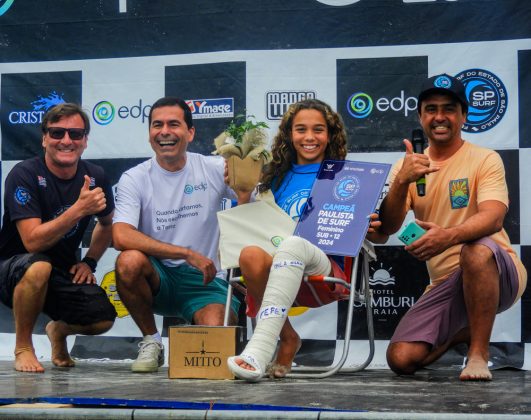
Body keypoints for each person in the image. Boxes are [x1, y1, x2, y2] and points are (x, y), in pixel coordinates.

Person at [378, 74, 527, 381]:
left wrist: (447, 237)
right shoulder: (407, 166)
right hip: (445, 281)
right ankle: (463, 330)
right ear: (420, 116)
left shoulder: (485, 159)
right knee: (401, 360)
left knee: (475, 250)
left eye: (449, 108)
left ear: (464, 116)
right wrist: (402, 181)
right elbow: (389, 228)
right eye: (431, 109)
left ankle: (477, 354)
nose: (440, 117)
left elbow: (493, 217)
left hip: (497, 269)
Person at [227, 99, 382, 382]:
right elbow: (249, 227)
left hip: (323, 272)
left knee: (294, 243)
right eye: (300, 130)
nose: (309, 137)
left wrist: (364, 223)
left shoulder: (347, 176)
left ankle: (258, 351)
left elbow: (371, 231)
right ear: (288, 134)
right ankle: (287, 338)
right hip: (278, 274)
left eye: (318, 130)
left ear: (330, 134)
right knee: (249, 253)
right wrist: (242, 192)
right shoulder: (273, 176)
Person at [112, 97, 253, 373]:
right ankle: (151, 341)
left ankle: (195, 325)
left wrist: (244, 188)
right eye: (157, 125)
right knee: (129, 261)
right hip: (158, 276)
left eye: (173, 124)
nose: (164, 131)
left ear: (190, 133)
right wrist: (186, 253)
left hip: (205, 279)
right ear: (150, 135)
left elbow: (250, 209)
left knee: (216, 343)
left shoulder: (214, 168)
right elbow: (120, 236)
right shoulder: (134, 177)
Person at [0, 103, 117, 373]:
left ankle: (58, 331)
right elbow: (32, 242)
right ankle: (23, 347)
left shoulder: (96, 176)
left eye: (75, 134)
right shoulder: (24, 174)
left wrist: (90, 262)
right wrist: (78, 209)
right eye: (57, 133)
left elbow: (107, 224)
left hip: (58, 271)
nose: (66, 140)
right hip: (11, 268)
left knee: (102, 319)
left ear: (85, 141)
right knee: (38, 265)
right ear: (44, 138)